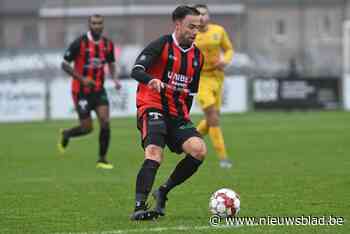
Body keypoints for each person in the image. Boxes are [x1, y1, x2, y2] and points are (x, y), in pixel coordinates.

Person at [129, 5, 206, 220]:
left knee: (198, 150)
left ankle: (163, 191)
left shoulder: (198, 57)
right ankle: (139, 208)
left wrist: (184, 120)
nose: (194, 32)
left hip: (178, 116)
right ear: (178, 24)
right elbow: (136, 70)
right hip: (152, 107)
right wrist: (151, 80)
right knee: (154, 152)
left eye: (197, 28)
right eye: (191, 26)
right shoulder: (161, 45)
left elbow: (191, 93)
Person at [58, 14, 121, 170]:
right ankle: (67, 134)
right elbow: (64, 64)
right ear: (89, 25)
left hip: (99, 90)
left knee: (105, 122)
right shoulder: (79, 43)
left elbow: (111, 63)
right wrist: (82, 79)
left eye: (99, 23)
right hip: (81, 91)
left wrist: (114, 79)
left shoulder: (107, 45)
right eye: (94, 23)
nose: (97, 26)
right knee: (87, 128)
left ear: (103, 25)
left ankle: (102, 159)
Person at [194, 4, 234, 168]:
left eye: (204, 14)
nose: (202, 18)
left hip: (218, 77)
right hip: (201, 78)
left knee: (213, 118)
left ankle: (191, 138)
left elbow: (229, 49)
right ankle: (223, 157)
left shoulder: (219, 30)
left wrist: (225, 61)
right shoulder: (191, 34)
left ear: (209, 16)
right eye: (198, 15)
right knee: (212, 114)